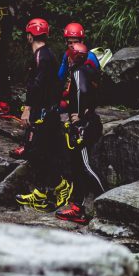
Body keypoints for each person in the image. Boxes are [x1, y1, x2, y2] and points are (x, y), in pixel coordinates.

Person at [14, 18, 72, 210]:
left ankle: (58, 186)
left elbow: (37, 86)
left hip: (44, 112)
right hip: (49, 110)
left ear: (29, 36)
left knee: (39, 152)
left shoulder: (42, 56)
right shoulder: (47, 54)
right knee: (42, 151)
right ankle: (42, 191)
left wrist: (27, 109)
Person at [55, 43, 105, 224]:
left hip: (84, 126)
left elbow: (80, 93)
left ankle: (105, 202)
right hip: (88, 122)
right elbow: (97, 95)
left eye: (69, 56)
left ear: (74, 57)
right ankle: (76, 206)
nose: (67, 60)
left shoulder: (78, 72)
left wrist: (78, 115)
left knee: (85, 166)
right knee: (77, 165)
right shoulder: (90, 71)